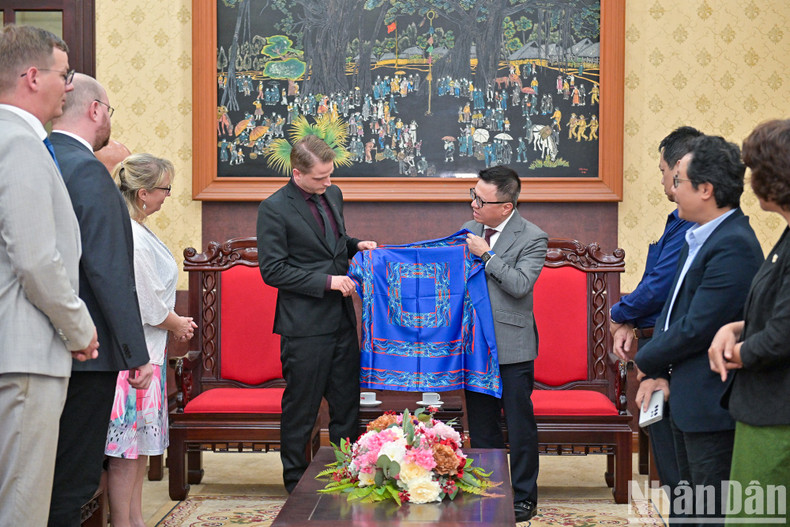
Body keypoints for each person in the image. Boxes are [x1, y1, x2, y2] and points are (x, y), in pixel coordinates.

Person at [634, 135, 763, 526]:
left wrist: (645, 358)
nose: (672, 190)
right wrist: (657, 369)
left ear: (705, 189)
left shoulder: (734, 244)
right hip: (685, 395)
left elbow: (697, 327)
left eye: (679, 182)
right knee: (687, 509)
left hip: (712, 403)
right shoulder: (695, 237)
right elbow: (673, 313)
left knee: (708, 512)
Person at [0, 25, 98, 526]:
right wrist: (79, 329)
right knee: (22, 502)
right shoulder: (19, 142)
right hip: (25, 356)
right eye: (65, 74)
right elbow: (36, 259)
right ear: (33, 77)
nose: (70, 84)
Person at [45, 73, 154, 526]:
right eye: (109, 110)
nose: (109, 118)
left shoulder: (42, 156)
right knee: (74, 477)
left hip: (43, 342)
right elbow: (107, 268)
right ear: (95, 111)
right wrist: (136, 352)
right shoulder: (87, 168)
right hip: (88, 350)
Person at [256, 135, 377, 492]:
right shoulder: (274, 208)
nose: (328, 183)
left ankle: (348, 474)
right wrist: (327, 282)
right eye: (320, 178)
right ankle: (295, 483)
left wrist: (357, 245)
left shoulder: (333, 194)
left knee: (346, 407)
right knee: (301, 410)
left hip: (341, 321)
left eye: (330, 175)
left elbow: (333, 242)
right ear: (297, 173)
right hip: (304, 326)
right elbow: (272, 270)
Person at [609, 126, 701, 511]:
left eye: (664, 170)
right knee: (670, 458)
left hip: (668, 357)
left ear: (681, 169)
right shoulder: (677, 220)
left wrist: (617, 314)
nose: (662, 178)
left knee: (679, 468)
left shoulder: (691, 226)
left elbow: (658, 286)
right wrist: (629, 322)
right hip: (652, 346)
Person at [107, 153, 196, 526]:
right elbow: (147, 304)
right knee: (125, 451)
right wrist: (177, 324)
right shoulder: (133, 235)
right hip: (135, 359)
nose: (168, 196)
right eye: (165, 189)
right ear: (143, 193)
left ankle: (135, 518)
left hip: (149, 354)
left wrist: (174, 323)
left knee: (140, 448)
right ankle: (123, 522)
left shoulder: (138, 227)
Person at [708, 119, 790, 525]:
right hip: (763, 409)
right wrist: (736, 327)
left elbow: (780, 337)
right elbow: (775, 310)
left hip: (777, 415)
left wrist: (734, 352)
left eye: (757, 170)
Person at [462, 165, 548, 522]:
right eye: (473, 195)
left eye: (482, 200)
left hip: (512, 345)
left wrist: (486, 255)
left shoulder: (532, 237)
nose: (474, 205)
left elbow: (518, 285)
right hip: (474, 346)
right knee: (481, 425)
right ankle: (489, 487)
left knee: (519, 424)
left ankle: (525, 496)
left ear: (507, 206)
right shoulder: (469, 230)